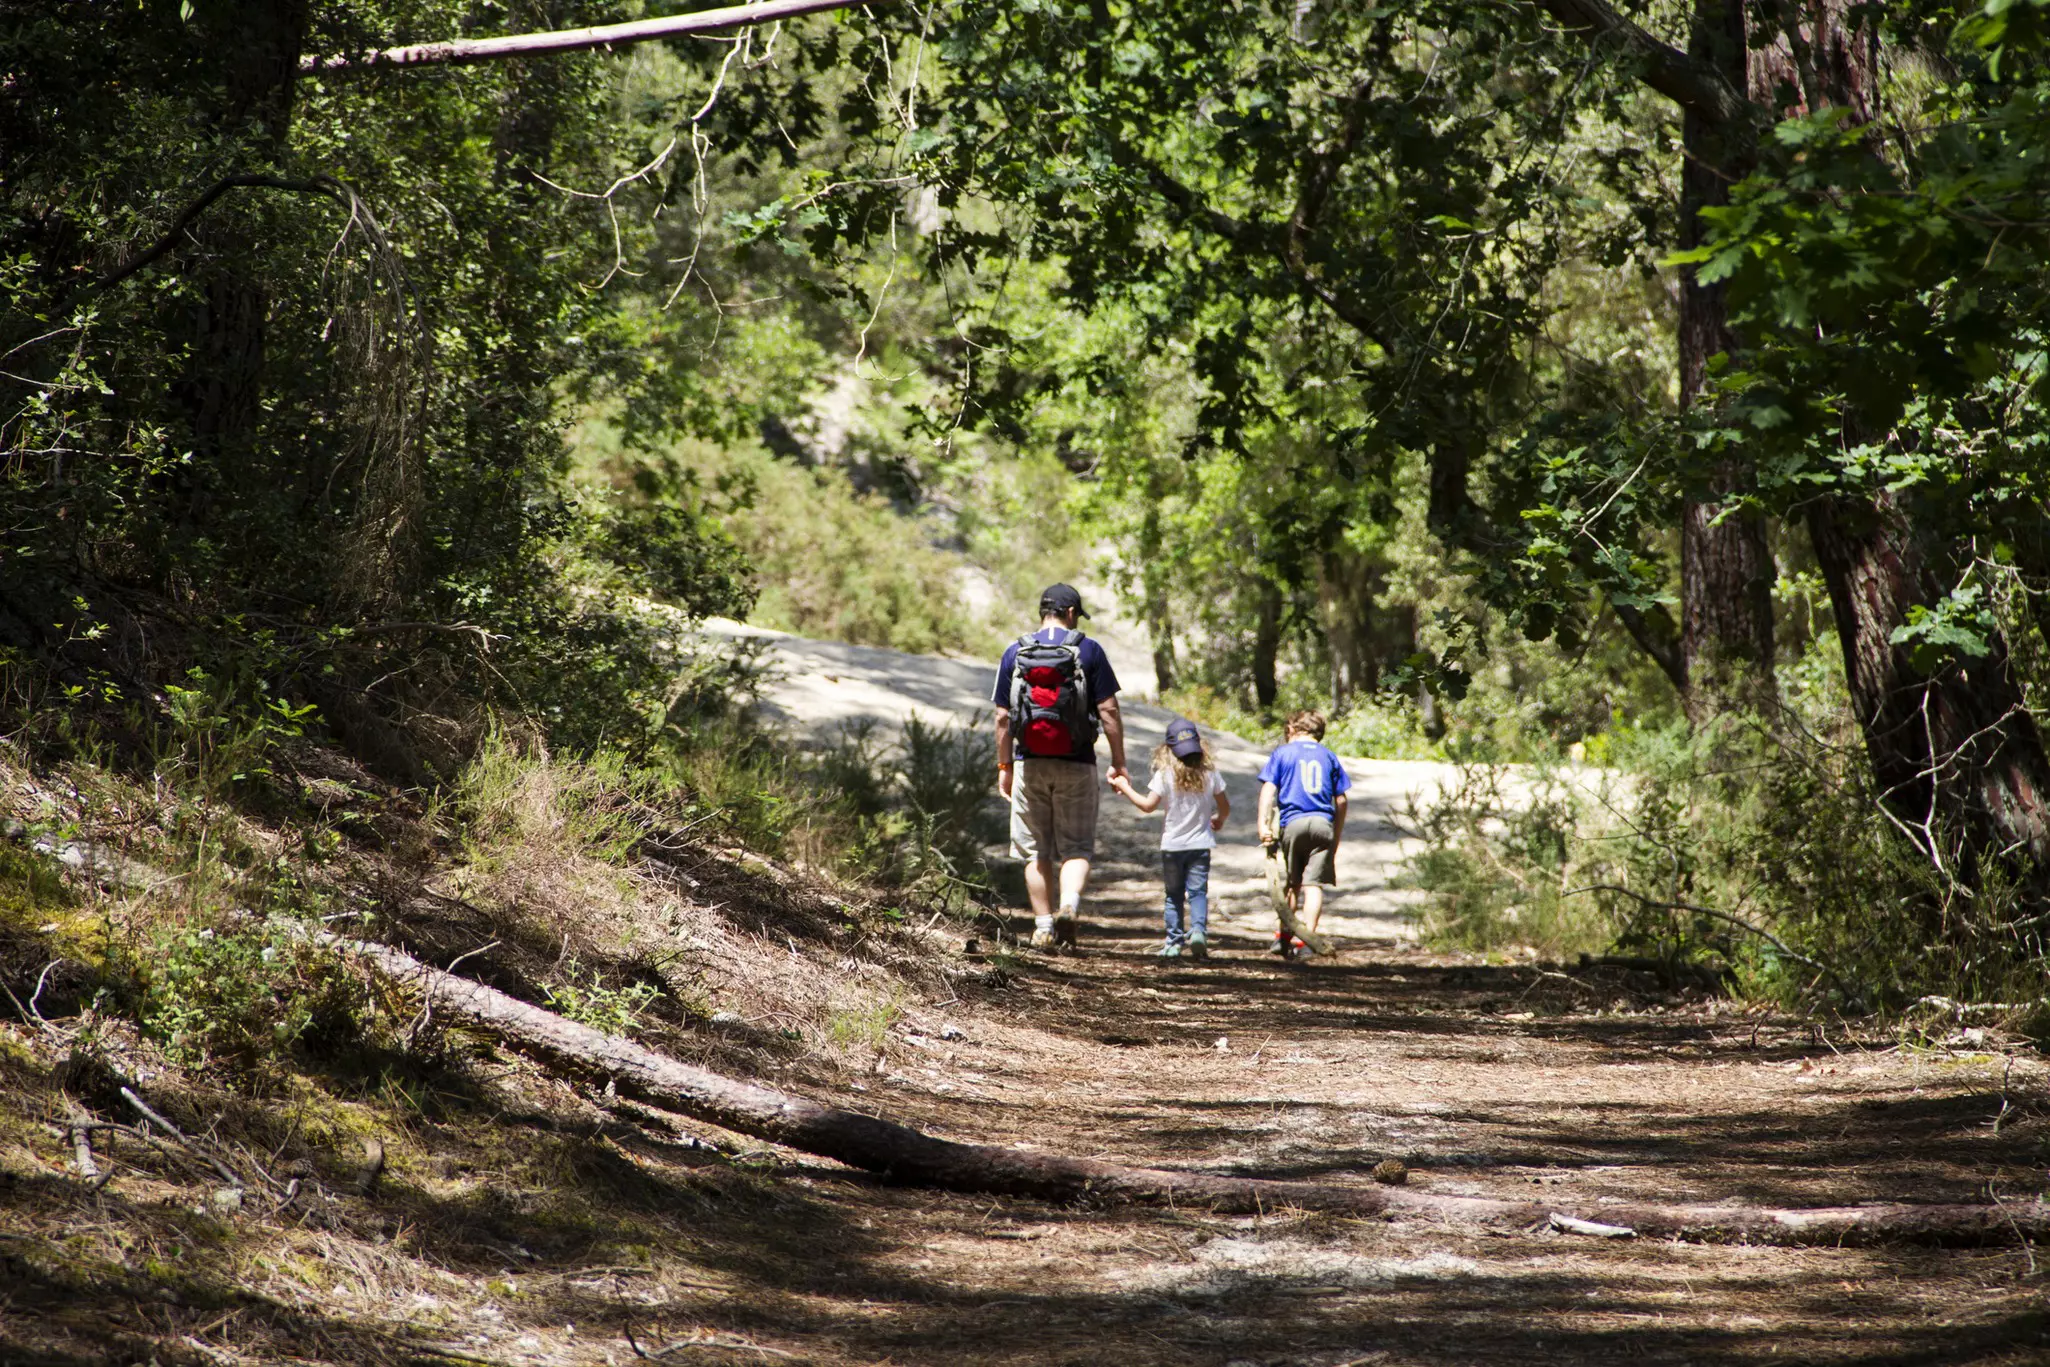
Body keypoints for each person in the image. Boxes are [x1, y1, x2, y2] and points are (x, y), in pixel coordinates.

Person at [991, 584, 1126, 950]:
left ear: (1043, 612)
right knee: (1077, 848)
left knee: (1036, 851)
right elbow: (1109, 711)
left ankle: (1043, 926)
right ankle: (1069, 905)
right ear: (1071, 613)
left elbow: (1003, 717)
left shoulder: (1015, 651)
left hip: (1030, 762)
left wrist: (1005, 765)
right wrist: (1119, 761)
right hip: (1078, 763)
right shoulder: (1089, 649)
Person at [1109, 717, 1229, 960]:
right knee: (1197, 894)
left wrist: (1125, 787)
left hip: (1173, 847)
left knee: (1173, 896)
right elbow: (1225, 806)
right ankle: (1198, 933)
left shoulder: (1165, 775)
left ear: (1168, 749)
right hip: (1201, 845)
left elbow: (1147, 805)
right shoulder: (1210, 774)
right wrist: (1219, 819)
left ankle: (1174, 943)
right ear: (1199, 746)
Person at [1257, 709, 1350, 957]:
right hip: (1323, 825)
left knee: (1291, 884)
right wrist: (1336, 833)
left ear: (1291, 729)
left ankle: (1284, 936)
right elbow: (1340, 800)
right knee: (1313, 885)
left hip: (1293, 824)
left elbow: (1268, 790)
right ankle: (1308, 939)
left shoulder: (1283, 753)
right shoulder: (1329, 756)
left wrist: (1263, 825)